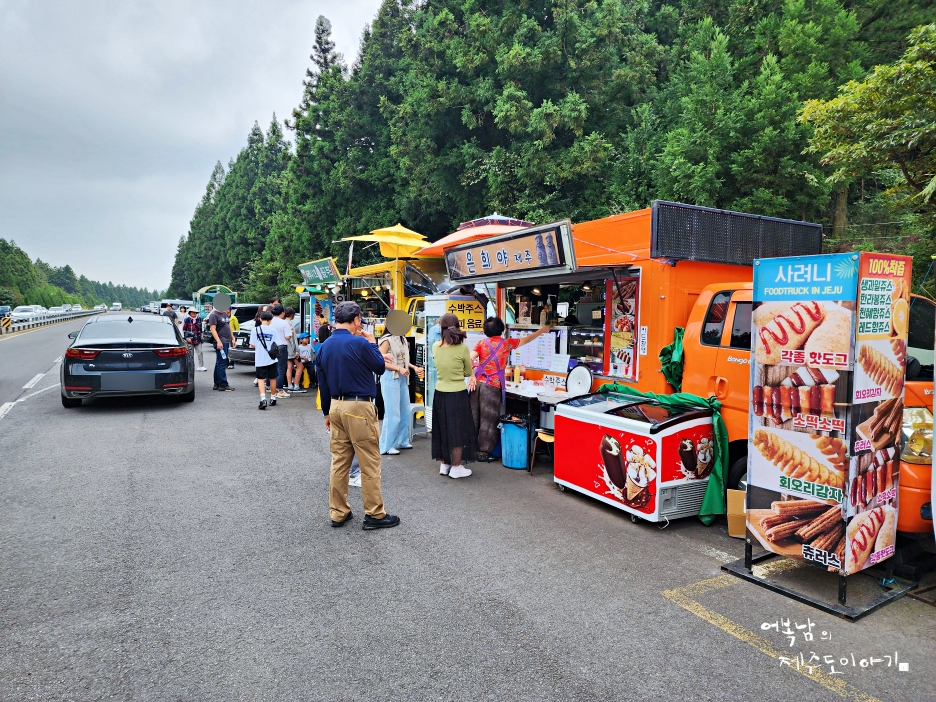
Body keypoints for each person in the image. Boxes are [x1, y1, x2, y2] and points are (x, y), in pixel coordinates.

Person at [315, 301, 400, 530]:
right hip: (359, 407)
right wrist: (372, 343)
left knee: (339, 462)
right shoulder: (360, 343)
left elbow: (321, 382)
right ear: (355, 320)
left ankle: (338, 512)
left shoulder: (324, 346)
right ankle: (375, 514)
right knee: (369, 462)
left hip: (335, 406)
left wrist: (326, 412)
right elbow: (379, 367)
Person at [470, 317, 550, 461]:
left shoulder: (481, 343)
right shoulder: (506, 344)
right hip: (492, 385)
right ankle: (483, 452)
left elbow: (469, 358)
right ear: (502, 330)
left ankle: (469, 447)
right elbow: (527, 339)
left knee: (473, 416)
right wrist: (542, 330)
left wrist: (471, 376)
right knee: (488, 419)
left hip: (477, 383)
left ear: (485, 330)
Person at [431, 313, 478, 478]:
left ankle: (444, 464)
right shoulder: (463, 348)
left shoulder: (435, 346)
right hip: (457, 393)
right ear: (457, 327)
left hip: (439, 392)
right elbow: (466, 371)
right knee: (457, 430)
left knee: (442, 428)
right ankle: (457, 467)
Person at [378, 330, 423, 455]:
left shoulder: (401, 337)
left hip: (402, 377)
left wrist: (413, 367)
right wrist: (399, 368)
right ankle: (386, 446)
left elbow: (402, 359)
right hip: (390, 377)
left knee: (404, 411)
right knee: (392, 413)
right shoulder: (386, 339)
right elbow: (380, 360)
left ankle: (401, 440)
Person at [250, 311, 279, 409]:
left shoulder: (255, 330)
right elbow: (277, 344)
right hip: (272, 359)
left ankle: (263, 399)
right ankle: (273, 398)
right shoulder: (274, 331)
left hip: (260, 359)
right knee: (272, 378)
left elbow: (252, 345)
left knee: (261, 380)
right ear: (271, 320)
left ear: (260, 319)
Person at [208, 304, 235, 391]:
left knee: (219, 362)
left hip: (226, 341)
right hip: (220, 342)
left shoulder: (224, 314)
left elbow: (229, 326)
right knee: (222, 363)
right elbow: (213, 329)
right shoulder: (213, 315)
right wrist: (219, 341)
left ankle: (217, 382)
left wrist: (233, 338)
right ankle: (223, 384)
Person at [270, 304, 293, 398]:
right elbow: (287, 336)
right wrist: (290, 333)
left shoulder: (269, 321)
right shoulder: (284, 323)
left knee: (271, 367)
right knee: (281, 369)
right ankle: (279, 390)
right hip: (281, 347)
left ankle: (269, 387)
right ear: (282, 312)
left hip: (271, 346)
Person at [285, 308, 305, 393]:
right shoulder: (290, 324)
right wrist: (297, 351)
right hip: (292, 349)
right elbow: (293, 340)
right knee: (300, 366)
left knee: (289, 367)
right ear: (292, 315)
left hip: (286, 349)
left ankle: (290, 385)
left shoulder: (283, 323)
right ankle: (296, 385)